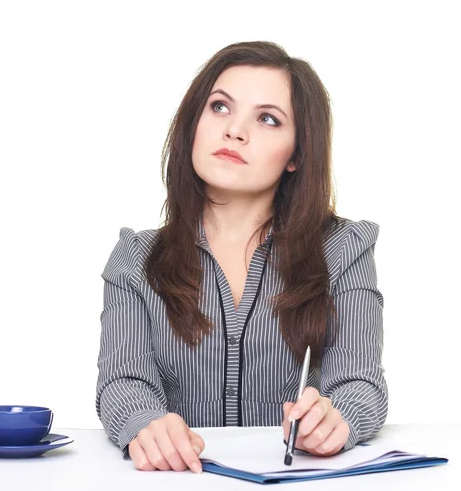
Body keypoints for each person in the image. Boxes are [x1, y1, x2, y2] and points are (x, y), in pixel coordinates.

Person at [95, 41, 388, 474]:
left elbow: (361, 383)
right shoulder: (136, 258)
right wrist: (145, 423)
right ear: (193, 122)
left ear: (297, 155)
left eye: (268, 119)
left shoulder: (344, 249)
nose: (234, 131)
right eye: (219, 108)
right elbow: (123, 382)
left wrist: (336, 418)